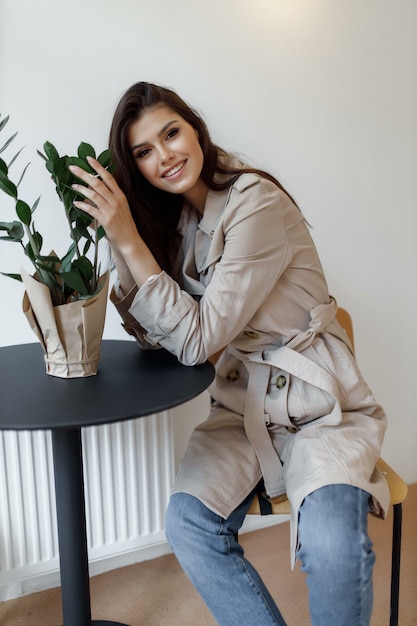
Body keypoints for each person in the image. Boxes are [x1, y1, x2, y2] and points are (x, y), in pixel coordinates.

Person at [70, 81, 390, 626]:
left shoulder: (256, 202)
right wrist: (125, 243)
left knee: (332, 547)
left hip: (320, 408)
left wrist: (129, 239)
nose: (165, 155)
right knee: (188, 523)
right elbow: (157, 338)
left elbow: (197, 341)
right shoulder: (176, 223)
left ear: (194, 128)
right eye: (144, 152)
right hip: (242, 409)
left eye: (171, 133)